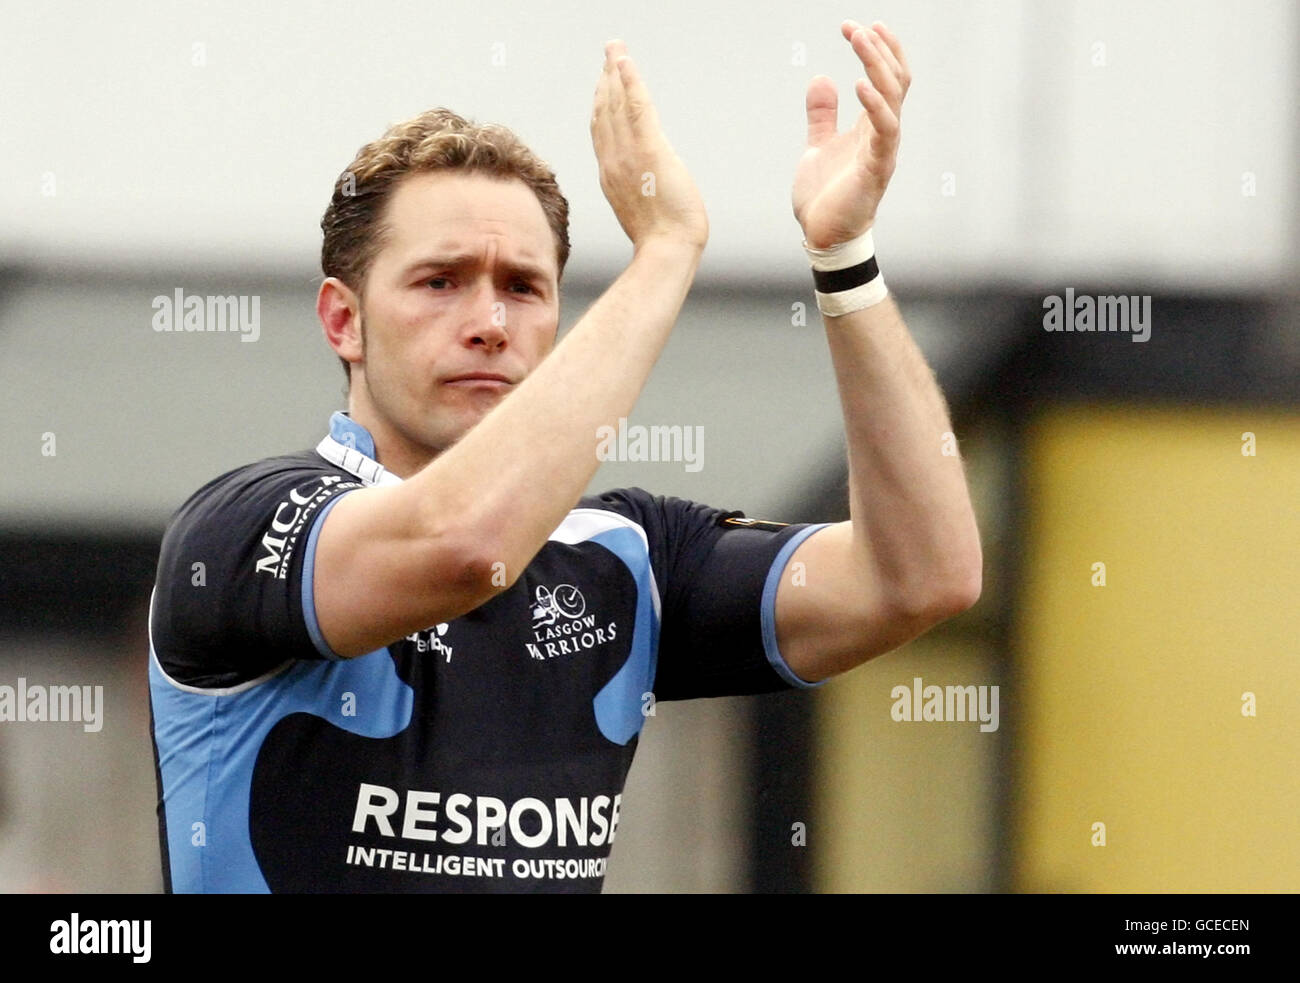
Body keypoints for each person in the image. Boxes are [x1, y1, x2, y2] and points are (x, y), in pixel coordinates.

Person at [147, 20, 981, 893]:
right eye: (440, 281)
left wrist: (845, 261)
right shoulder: (240, 525)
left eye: (523, 287)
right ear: (342, 320)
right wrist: (665, 250)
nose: (489, 322)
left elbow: (924, 575)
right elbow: (466, 544)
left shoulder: (624, 558)